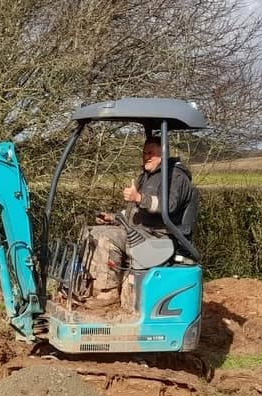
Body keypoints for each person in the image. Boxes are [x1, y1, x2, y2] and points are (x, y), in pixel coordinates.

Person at [80, 127, 196, 309]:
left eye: (151, 153)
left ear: (163, 154)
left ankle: (107, 292)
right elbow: (135, 213)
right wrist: (113, 217)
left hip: (159, 235)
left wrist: (139, 198)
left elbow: (168, 206)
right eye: (144, 153)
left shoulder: (175, 176)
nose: (146, 157)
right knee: (92, 232)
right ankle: (88, 287)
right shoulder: (146, 177)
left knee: (106, 238)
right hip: (142, 231)